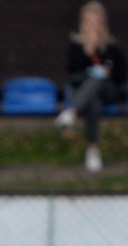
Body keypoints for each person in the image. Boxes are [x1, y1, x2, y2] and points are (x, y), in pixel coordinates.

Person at [54, 1, 127, 173]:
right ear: (83, 24)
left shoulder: (112, 46)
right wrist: (88, 51)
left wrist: (106, 71)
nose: (93, 26)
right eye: (89, 22)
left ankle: (72, 112)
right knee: (93, 101)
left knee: (98, 77)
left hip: (109, 91)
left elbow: (122, 75)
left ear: (103, 25)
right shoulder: (76, 46)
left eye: (97, 23)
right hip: (86, 94)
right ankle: (93, 151)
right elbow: (72, 73)